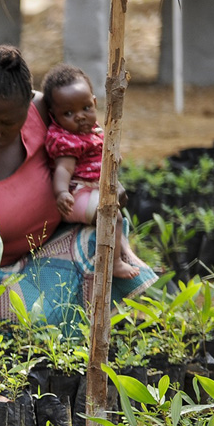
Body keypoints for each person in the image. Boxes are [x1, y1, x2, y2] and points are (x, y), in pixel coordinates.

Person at [0, 45, 157, 335]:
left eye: (8, 123)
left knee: (107, 226)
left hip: (31, 256)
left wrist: (108, 183)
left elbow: (87, 148)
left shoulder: (46, 112)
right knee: (42, 317)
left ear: (30, 103)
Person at [41, 63, 141, 280]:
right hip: (75, 196)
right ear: (54, 116)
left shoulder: (94, 130)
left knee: (118, 207)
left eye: (85, 108)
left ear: (94, 102)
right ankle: (113, 262)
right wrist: (61, 193)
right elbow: (63, 169)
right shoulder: (67, 140)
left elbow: (98, 157)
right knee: (112, 216)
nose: (79, 116)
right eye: (68, 113)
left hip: (90, 190)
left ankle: (120, 250)